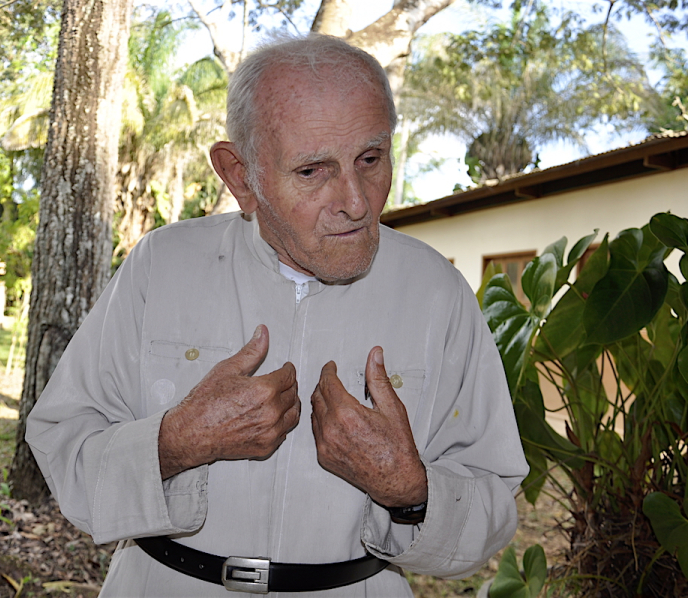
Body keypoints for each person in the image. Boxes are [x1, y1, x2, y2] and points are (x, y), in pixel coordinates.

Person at [26, 34, 528, 597]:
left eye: (370, 159)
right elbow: (63, 450)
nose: (356, 202)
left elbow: (493, 505)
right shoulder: (162, 265)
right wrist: (177, 441)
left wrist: (411, 489)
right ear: (240, 176)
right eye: (312, 171)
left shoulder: (438, 292)